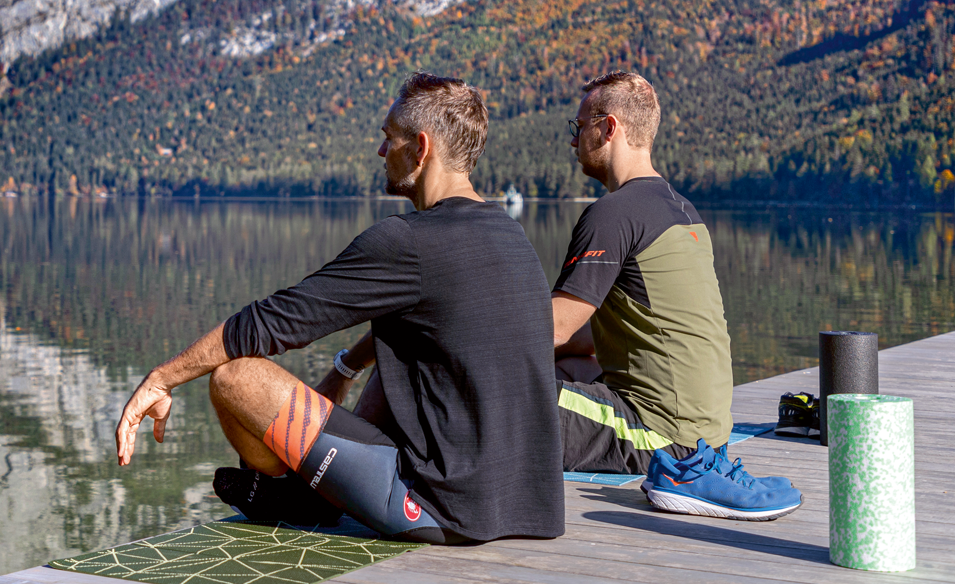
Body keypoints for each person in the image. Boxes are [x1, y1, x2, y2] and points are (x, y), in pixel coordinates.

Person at [114, 74, 564, 544]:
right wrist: (346, 366)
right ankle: (309, 488)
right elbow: (436, 325)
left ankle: (293, 494)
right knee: (402, 347)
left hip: (440, 506)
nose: (379, 151)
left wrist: (162, 379)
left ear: (420, 148)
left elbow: (273, 322)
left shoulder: (408, 242)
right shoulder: (511, 237)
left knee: (235, 378)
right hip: (527, 504)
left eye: (388, 137)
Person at [551, 72, 800, 519]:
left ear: (608, 129)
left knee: (503, 391)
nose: (573, 142)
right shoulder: (681, 208)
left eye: (579, 127)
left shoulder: (612, 213)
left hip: (662, 438)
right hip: (708, 433)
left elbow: (552, 326)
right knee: (567, 365)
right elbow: (589, 338)